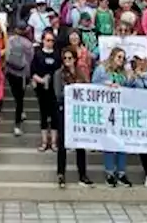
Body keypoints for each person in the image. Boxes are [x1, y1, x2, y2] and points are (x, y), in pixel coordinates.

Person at [91, 47, 134, 187]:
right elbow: (93, 85)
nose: (121, 60)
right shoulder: (102, 69)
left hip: (121, 110)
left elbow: (130, 88)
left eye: (123, 58)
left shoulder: (123, 72)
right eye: (119, 57)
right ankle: (110, 172)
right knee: (109, 141)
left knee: (122, 141)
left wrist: (130, 77)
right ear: (112, 57)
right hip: (107, 110)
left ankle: (121, 172)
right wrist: (105, 85)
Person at [53, 45, 91, 189]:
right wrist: (73, 89)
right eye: (65, 58)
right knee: (62, 142)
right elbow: (58, 94)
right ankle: (61, 173)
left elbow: (88, 89)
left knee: (80, 142)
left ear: (75, 59)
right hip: (65, 110)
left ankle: (83, 174)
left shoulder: (81, 73)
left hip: (78, 111)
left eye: (70, 58)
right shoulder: (58, 74)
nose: (67, 61)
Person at [30, 30, 59, 152]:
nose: (50, 42)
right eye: (47, 40)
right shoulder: (38, 54)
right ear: (43, 41)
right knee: (43, 115)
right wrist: (41, 80)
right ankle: (44, 142)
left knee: (54, 116)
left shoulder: (57, 55)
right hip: (42, 89)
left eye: (52, 40)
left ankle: (53, 143)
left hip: (54, 90)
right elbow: (32, 72)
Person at [4, 24, 34, 137]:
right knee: (20, 98)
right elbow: (31, 59)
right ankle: (17, 124)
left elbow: (7, 56)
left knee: (17, 96)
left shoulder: (10, 40)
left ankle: (19, 116)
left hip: (11, 72)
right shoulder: (29, 44)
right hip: (23, 74)